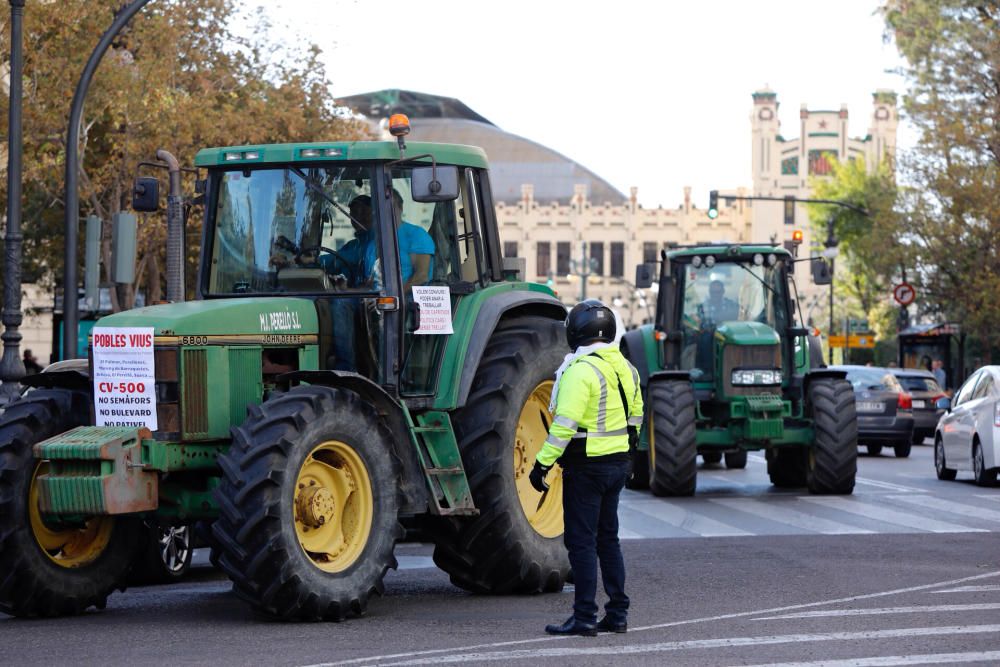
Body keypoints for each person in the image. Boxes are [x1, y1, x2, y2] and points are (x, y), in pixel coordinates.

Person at [530, 299, 643, 637]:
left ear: (574, 332)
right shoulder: (626, 367)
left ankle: (583, 618)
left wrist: (542, 464)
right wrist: (627, 455)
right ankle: (618, 614)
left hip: (587, 467)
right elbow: (636, 415)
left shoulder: (579, 370)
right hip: (617, 465)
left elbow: (564, 425)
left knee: (581, 543)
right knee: (609, 540)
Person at [391, 188, 434, 290]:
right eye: (380, 208)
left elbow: (421, 277)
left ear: (400, 207)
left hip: (407, 300)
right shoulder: (373, 241)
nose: (385, 211)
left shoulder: (416, 235)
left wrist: (398, 296)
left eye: (391, 207)